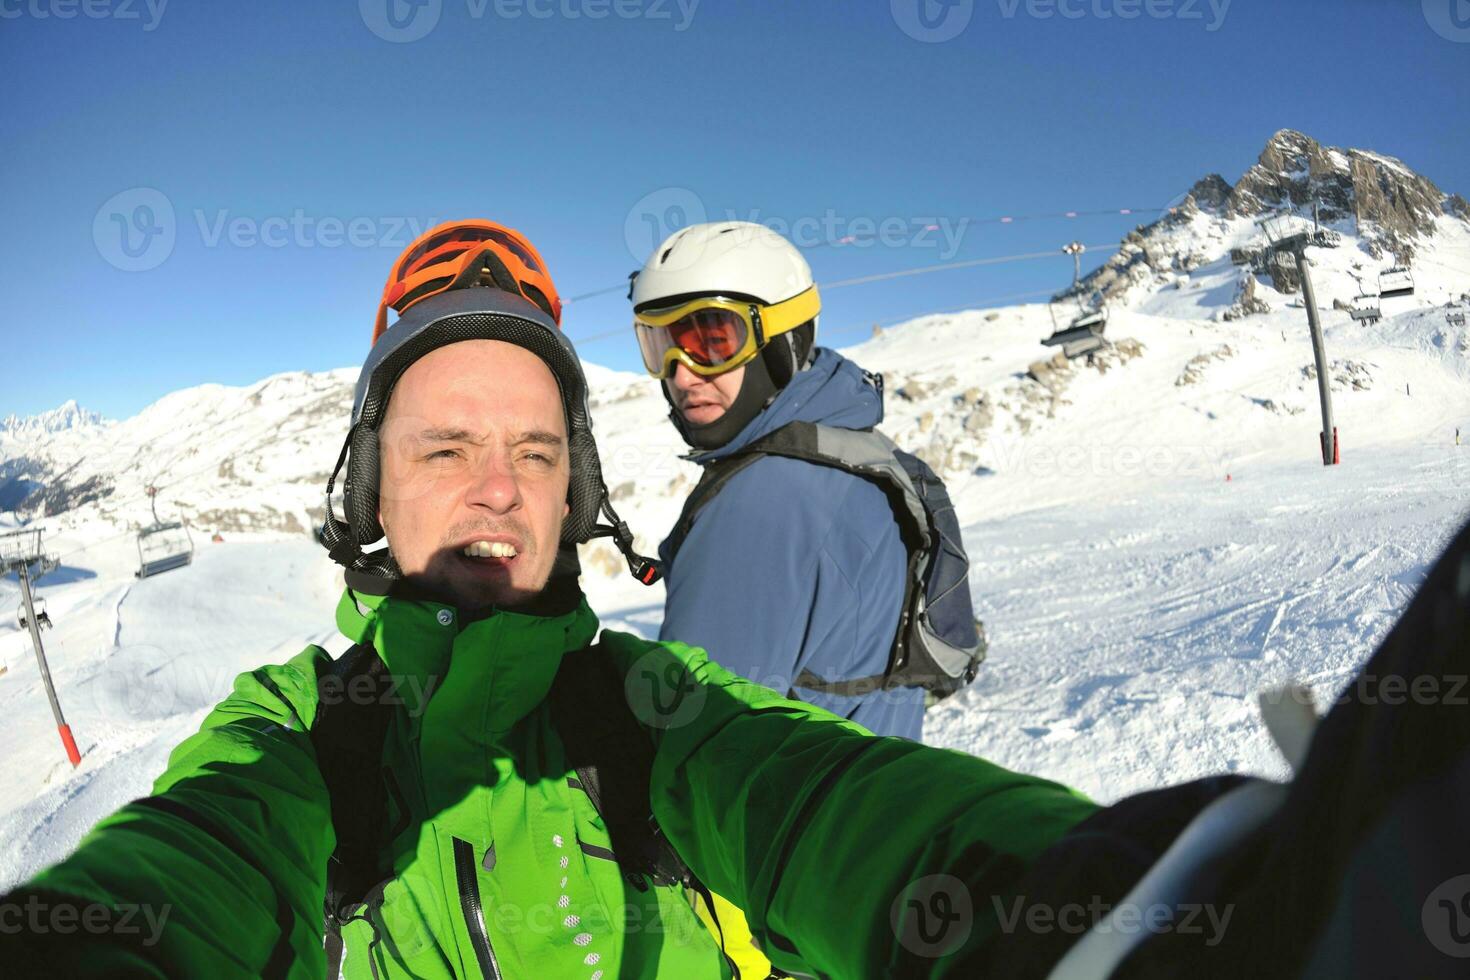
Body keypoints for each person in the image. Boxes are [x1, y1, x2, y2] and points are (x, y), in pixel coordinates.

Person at [5, 219, 1468, 980]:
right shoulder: (298, 741)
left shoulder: (653, 714)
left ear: (577, 492)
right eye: (440, 446)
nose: (496, 485)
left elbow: (824, 801)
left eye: (534, 448)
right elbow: (175, 875)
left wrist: (1143, 910)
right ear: (364, 492)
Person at [631, 221, 955, 743]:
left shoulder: (767, 499)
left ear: (784, 340)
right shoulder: (846, 454)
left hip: (772, 818)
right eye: (659, 345)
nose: (682, 374)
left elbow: (678, 734)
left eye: (713, 342)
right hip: (851, 798)